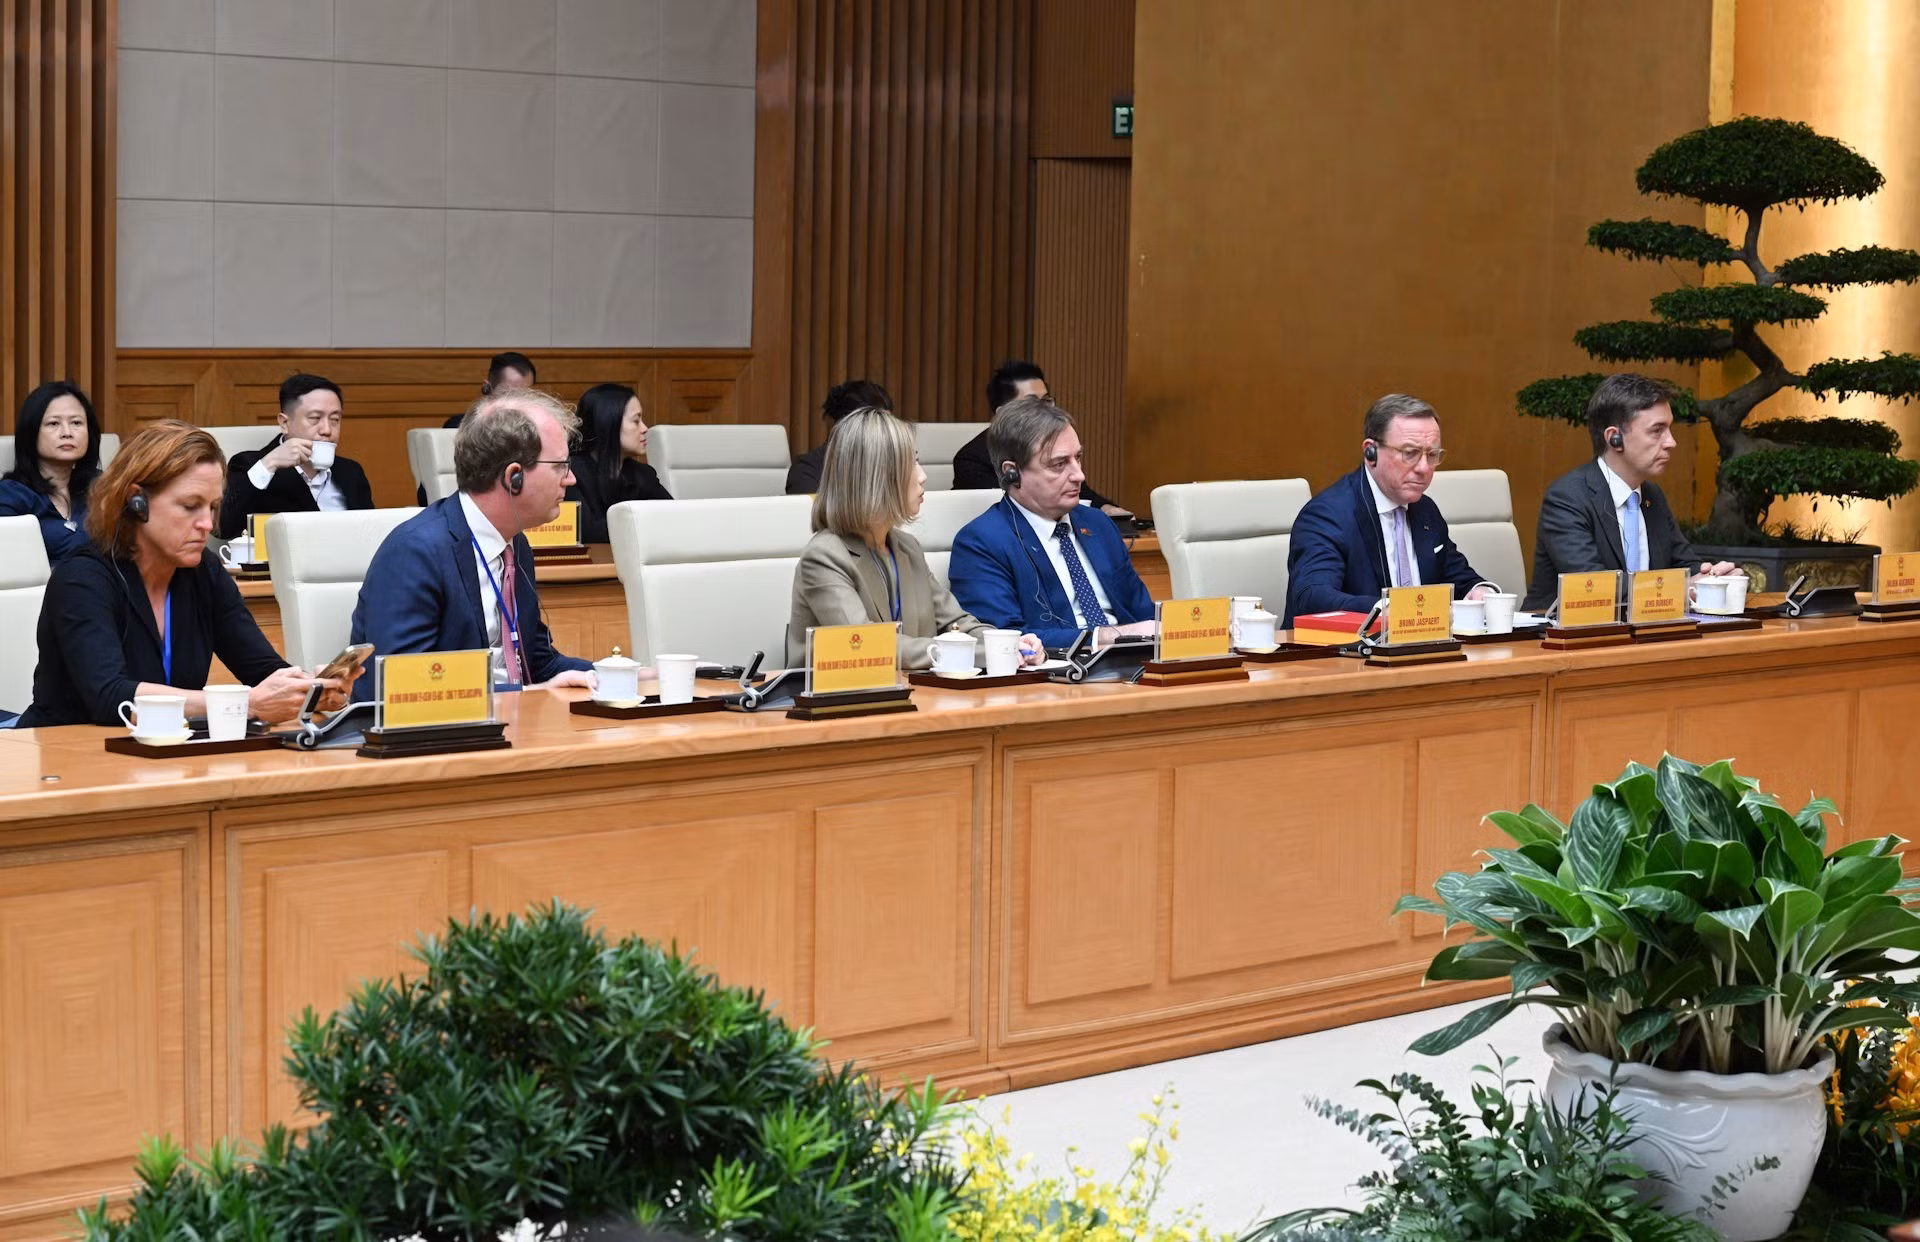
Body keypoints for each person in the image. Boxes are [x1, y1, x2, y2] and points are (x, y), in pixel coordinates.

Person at [18, 420, 349, 728]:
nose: (207, 524)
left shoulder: (204, 571)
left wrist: (311, 687)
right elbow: (110, 697)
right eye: (191, 506)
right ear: (136, 501)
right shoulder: (83, 578)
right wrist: (243, 704)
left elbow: (263, 671)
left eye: (213, 507)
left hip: (163, 757)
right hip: (65, 758)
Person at [353, 388, 594, 698]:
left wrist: (624, 673)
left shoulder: (514, 545)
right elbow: (404, 684)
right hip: (434, 738)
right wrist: (525, 693)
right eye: (560, 465)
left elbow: (537, 662)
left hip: (508, 726)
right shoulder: (416, 551)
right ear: (514, 477)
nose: (571, 478)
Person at [788, 406, 1039, 670]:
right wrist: (977, 654)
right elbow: (867, 646)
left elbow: (956, 622)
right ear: (877, 478)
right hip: (840, 704)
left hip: (913, 696)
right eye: (910, 464)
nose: (923, 476)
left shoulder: (906, 548)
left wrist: (1008, 645)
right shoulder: (825, 557)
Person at [948, 395, 1156, 650]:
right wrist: (1106, 637)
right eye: (1059, 464)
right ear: (1012, 473)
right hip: (1054, 677)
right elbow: (1003, 639)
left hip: (1132, 668)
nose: (1079, 475)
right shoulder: (981, 543)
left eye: (1078, 458)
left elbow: (1145, 615)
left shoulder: (1098, 525)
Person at [1523, 372, 1738, 610]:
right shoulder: (1567, 498)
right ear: (1614, 438)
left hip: (1640, 635)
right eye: (1657, 430)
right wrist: (1682, 588)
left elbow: (1685, 565)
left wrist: (1714, 578)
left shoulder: (1652, 496)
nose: (1671, 442)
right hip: (1560, 640)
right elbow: (1593, 587)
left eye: (1669, 429)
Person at [1283, 394, 1492, 627]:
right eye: (1410, 453)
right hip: (1343, 656)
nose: (1423, 468)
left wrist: (1480, 591)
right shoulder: (1328, 515)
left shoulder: (1425, 510)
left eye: (1432, 455)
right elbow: (1313, 597)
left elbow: (1457, 577)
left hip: (1421, 651)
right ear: (1371, 452)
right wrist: (1386, 611)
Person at [951, 360, 1131, 518]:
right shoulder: (970, 459)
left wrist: (1106, 509)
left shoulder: (1055, 446)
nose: (1044, 411)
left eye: (1046, 401)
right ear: (1002, 415)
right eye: (1032, 403)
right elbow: (1011, 509)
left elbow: (1084, 494)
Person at [219, 373, 374, 537]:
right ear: (285, 423)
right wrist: (270, 463)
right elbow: (224, 527)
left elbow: (371, 532)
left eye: (334, 419)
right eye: (315, 418)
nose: (327, 430)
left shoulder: (351, 471)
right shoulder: (251, 465)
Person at [0, 380, 102, 562]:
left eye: (76, 422)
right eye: (54, 424)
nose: (67, 432)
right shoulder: (10, 496)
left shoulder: (104, 488)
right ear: (31, 432)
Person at [422, 352, 538, 504]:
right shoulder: (460, 429)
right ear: (488, 387)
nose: (517, 403)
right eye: (509, 395)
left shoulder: (536, 432)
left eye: (525, 395)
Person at [567, 383, 672, 543]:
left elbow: (675, 518)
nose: (645, 428)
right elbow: (586, 532)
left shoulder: (643, 474)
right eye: (636, 421)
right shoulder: (570, 473)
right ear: (608, 423)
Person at [787, 378, 892, 495]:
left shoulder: (891, 465)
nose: (886, 434)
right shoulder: (808, 471)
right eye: (878, 426)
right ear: (846, 426)